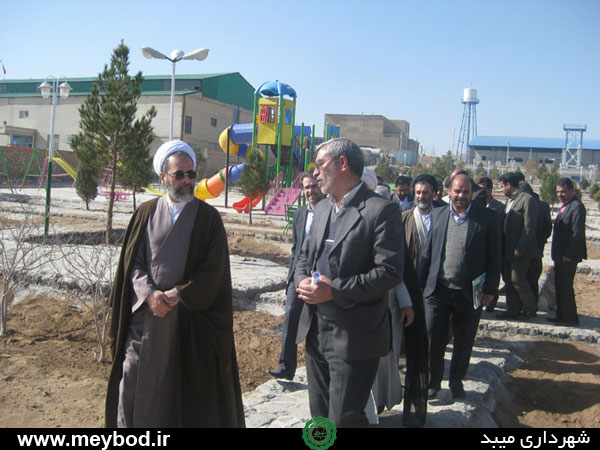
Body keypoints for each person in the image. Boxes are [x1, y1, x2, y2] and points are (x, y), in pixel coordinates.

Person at [105, 140, 245, 428]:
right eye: (179, 175)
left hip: (186, 324)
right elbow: (134, 263)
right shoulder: (145, 213)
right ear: (163, 177)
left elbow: (213, 270)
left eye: (191, 174)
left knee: (182, 400)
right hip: (145, 322)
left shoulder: (208, 219)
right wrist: (149, 294)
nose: (186, 181)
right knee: (132, 383)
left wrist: (178, 294)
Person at [294, 138, 404, 427]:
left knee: (345, 419)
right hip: (316, 329)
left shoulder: (380, 210)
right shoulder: (322, 209)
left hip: (354, 334)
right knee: (319, 416)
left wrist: (334, 291)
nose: (314, 172)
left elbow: (389, 271)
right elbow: (304, 256)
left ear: (342, 164)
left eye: (320, 164)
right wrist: (302, 280)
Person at [420, 174, 501, 400]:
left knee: (464, 341)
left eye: (466, 192)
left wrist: (491, 290)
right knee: (433, 338)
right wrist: (420, 286)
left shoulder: (487, 218)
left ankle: (456, 381)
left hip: (469, 292)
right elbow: (427, 253)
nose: (461, 196)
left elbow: (495, 257)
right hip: (438, 289)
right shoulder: (438, 214)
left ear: (472, 193)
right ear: (449, 192)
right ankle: (432, 383)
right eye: (457, 191)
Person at [268, 172, 324, 380]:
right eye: (306, 187)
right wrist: (291, 273)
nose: (310, 191)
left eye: (314, 186)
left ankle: (318, 371)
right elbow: (296, 248)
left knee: (317, 323)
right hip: (298, 275)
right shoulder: (300, 214)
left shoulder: (330, 211)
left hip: (321, 277)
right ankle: (285, 366)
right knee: (291, 316)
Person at [497, 172, 538, 320]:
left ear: (509, 185)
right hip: (507, 248)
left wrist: (520, 247)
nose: (501, 190)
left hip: (520, 251)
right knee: (508, 280)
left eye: (502, 186)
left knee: (517, 279)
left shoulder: (527, 200)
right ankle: (512, 309)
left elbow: (529, 227)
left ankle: (530, 308)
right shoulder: (510, 201)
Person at [549, 177, 587, 326]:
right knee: (560, 286)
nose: (560, 194)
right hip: (560, 255)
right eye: (558, 192)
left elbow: (577, 234)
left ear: (571, 190)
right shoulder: (565, 206)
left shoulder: (577, 207)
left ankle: (570, 319)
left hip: (568, 256)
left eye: (563, 191)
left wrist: (569, 255)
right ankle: (561, 316)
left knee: (566, 287)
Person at [519, 181, 552, 304]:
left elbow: (547, 228)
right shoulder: (542, 205)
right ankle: (530, 306)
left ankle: (530, 306)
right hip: (532, 249)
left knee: (529, 279)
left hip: (532, 250)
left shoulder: (541, 206)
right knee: (529, 279)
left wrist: (539, 241)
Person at [477, 176, 507, 312]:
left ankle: (491, 302)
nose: (481, 192)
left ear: (490, 190)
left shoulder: (499, 208)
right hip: (479, 247)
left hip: (495, 246)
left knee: (493, 274)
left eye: (484, 189)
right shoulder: (475, 205)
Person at [402, 173, 438, 272]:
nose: (421, 196)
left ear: (433, 194)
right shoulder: (404, 218)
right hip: (410, 274)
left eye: (425, 193)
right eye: (418, 192)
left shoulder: (442, 217)